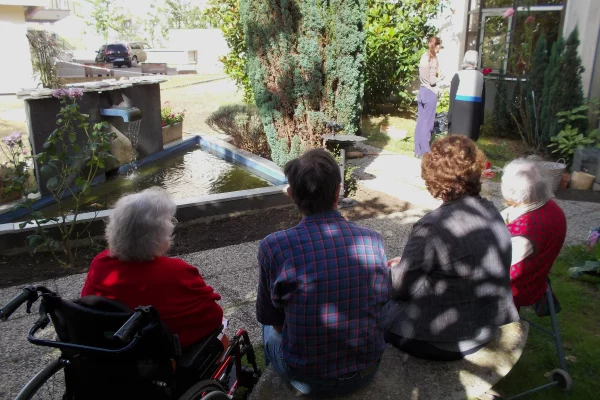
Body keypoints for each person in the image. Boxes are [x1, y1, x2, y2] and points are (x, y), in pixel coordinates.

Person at [256, 149, 391, 396]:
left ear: (291, 195)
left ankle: (274, 386)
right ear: (338, 192)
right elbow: (381, 301)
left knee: (266, 329)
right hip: (366, 370)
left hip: (307, 380)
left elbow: (271, 319)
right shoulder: (373, 240)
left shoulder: (274, 246)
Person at [383, 135, 519, 361]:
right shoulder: (490, 210)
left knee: (374, 306)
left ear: (434, 180)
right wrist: (408, 264)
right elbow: (459, 262)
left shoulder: (433, 225)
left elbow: (399, 288)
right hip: (485, 326)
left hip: (443, 340)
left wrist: (393, 271)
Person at [81, 187, 223, 349]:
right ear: (159, 234)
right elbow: (213, 315)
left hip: (109, 350)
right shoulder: (175, 272)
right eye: (170, 222)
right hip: (155, 356)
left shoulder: (100, 263)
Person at [500, 159, 567, 309]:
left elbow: (497, 264)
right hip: (532, 275)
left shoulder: (526, 233)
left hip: (518, 288)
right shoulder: (545, 204)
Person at [447, 50, 486, 141]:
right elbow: (483, 99)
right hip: (474, 113)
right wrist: (481, 120)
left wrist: (449, 117)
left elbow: (452, 98)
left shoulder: (458, 75)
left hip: (458, 112)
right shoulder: (481, 76)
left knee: (457, 141)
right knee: (470, 143)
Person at [414, 36, 442, 157]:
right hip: (430, 92)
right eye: (440, 45)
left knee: (420, 121)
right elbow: (432, 80)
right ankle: (425, 151)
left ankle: (417, 150)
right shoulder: (433, 59)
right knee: (428, 123)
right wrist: (441, 78)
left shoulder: (423, 57)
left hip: (422, 91)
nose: (440, 48)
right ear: (437, 46)